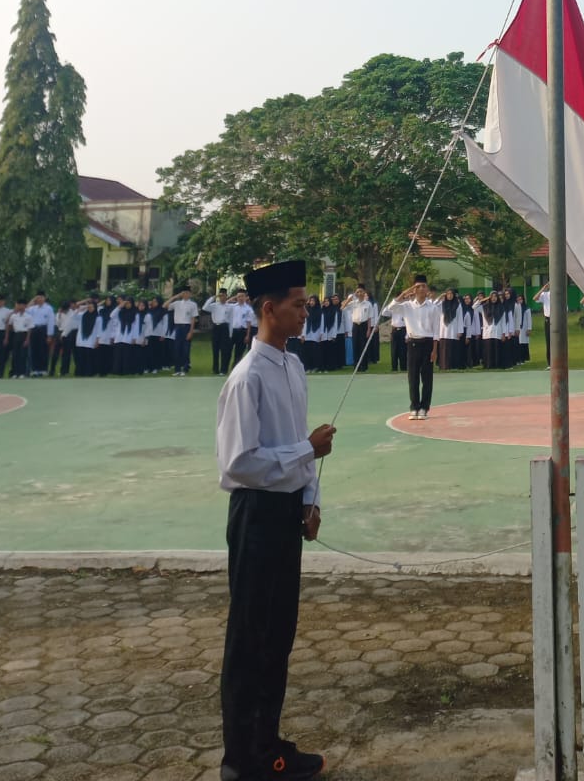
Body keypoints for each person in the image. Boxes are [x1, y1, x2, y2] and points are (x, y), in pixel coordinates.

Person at [216, 258, 335, 781]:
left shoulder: (293, 366)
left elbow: (297, 441)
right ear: (270, 309)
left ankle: (268, 744)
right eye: (298, 304)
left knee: (278, 634)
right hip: (256, 514)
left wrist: (310, 499)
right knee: (251, 638)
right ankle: (242, 760)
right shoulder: (248, 378)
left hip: (286, 510)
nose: (306, 312)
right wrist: (305, 452)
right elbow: (239, 463)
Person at [384, 276, 440, 420]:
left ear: (427, 289)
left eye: (423, 286)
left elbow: (436, 330)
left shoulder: (433, 307)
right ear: (413, 289)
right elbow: (390, 308)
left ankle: (424, 408)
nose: (421, 289)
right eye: (418, 286)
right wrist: (405, 293)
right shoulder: (407, 306)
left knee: (427, 378)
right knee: (413, 377)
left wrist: (435, 350)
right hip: (413, 343)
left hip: (428, 343)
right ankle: (414, 407)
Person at [343, 286, 377, 371]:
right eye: (357, 292)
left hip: (364, 325)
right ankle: (356, 366)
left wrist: (368, 329)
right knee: (355, 346)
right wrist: (351, 297)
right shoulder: (353, 303)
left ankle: (364, 366)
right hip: (355, 325)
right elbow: (342, 306)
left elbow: (369, 318)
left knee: (363, 346)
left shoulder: (368, 304)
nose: (359, 293)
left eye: (361, 291)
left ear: (364, 292)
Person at [167, 286, 199, 375]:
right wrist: (175, 297)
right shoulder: (177, 303)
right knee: (177, 348)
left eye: (187, 293)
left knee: (186, 349)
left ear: (190, 294)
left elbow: (193, 319)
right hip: (178, 327)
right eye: (184, 293)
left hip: (187, 327)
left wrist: (191, 331)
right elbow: (165, 305)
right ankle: (177, 369)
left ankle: (185, 368)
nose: (185, 295)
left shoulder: (193, 304)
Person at [205, 289, 234, 377]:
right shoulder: (214, 305)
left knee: (224, 350)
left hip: (224, 327)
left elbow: (231, 320)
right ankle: (215, 369)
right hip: (216, 327)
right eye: (220, 296)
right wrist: (214, 297)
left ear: (226, 296)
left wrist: (230, 334)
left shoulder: (229, 307)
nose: (222, 298)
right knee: (215, 349)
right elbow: (205, 307)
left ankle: (223, 370)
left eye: (224, 296)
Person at [27, 291, 55, 377]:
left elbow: (51, 322)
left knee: (43, 350)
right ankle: (34, 370)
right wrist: (33, 300)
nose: (40, 299)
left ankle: (43, 369)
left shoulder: (48, 308)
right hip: (34, 329)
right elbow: (26, 310)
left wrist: (49, 335)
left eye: (41, 297)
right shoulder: (33, 308)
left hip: (43, 329)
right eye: (38, 298)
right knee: (34, 350)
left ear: (44, 298)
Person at [7, 298, 33, 379]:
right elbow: (9, 325)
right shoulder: (14, 316)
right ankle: (15, 372)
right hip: (16, 335)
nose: (21, 307)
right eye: (19, 305)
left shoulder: (28, 316)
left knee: (23, 355)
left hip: (24, 335)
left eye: (22, 305)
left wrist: (27, 339)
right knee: (15, 354)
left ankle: (22, 372)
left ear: (25, 306)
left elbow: (29, 329)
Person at [534, 282, 552, 362]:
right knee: (548, 341)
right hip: (548, 319)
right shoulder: (545, 294)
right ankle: (549, 362)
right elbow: (535, 298)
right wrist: (543, 289)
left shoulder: (559, 294)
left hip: (557, 319)